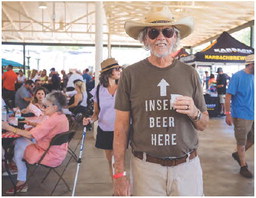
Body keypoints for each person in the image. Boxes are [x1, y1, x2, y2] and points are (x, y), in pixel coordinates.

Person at [113, 7, 209, 196]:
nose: (161, 37)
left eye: (167, 31)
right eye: (153, 32)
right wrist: (119, 175)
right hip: (146, 168)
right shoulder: (130, 75)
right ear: (146, 39)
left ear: (175, 38)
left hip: (187, 167)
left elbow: (203, 124)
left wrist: (194, 112)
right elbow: (121, 129)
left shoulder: (190, 74)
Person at [2, 91, 69, 194]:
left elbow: (30, 135)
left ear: (55, 107)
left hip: (49, 156)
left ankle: (19, 175)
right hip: (59, 153)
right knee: (20, 145)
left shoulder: (52, 120)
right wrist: (32, 123)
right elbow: (47, 129)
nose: (43, 108)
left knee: (19, 142)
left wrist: (9, 127)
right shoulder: (61, 117)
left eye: (46, 106)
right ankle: (18, 171)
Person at [83, 58, 123, 182]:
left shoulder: (124, 87)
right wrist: (90, 120)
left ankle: (122, 186)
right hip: (105, 130)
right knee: (110, 160)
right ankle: (115, 185)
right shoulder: (99, 90)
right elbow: (97, 113)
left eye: (119, 68)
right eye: (116, 69)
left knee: (119, 160)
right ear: (108, 72)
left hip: (121, 130)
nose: (119, 70)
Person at [225, 54, 254, 178]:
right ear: (252, 64)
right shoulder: (237, 77)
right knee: (241, 141)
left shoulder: (253, 77)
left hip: (253, 114)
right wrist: (227, 114)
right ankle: (243, 166)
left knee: (252, 139)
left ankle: (237, 154)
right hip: (241, 115)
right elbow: (228, 96)